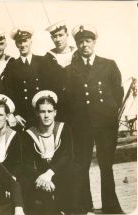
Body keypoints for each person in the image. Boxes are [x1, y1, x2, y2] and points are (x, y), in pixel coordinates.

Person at [66, 24, 124, 214]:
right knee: (82, 165)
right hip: (81, 125)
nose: (84, 45)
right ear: (77, 44)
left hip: (105, 124)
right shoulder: (70, 69)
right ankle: (84, 206)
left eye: (88, 41)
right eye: (80, 42)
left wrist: (110, 111)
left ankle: (111, 207)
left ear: (94, 42)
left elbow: (118, 92)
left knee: (106, 164)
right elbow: (68, 99)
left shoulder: (108, 64)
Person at [20, 90, 80, 215]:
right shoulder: (29, 134)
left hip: (59, 173)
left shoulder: (64, 129)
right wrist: (43, 177)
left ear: (55, 113)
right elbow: (26, 162)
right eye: (42, 111)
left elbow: (68, 156)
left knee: (75, 169)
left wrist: (50, 173)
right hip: (40, 178)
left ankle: (72, 210)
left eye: (49, 111)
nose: (46, 115)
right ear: (37, 113)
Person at [6, 27, 44, 128]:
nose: (22, 45)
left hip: (40, 115)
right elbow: (9, 92)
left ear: (31, 41)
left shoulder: (42, 61)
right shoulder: (12, 65)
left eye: (25, 41)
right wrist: (15, 114)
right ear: (16, 44)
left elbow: (49, 87)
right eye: (19, 42)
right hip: (21, 118)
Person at [41, 21, 77, 122]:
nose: (57, 39)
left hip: (79, 107)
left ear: (67, 35)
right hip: (58, 108)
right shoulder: (47, 59)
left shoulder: (77, 55)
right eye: (54, 36)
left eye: (60, 35)